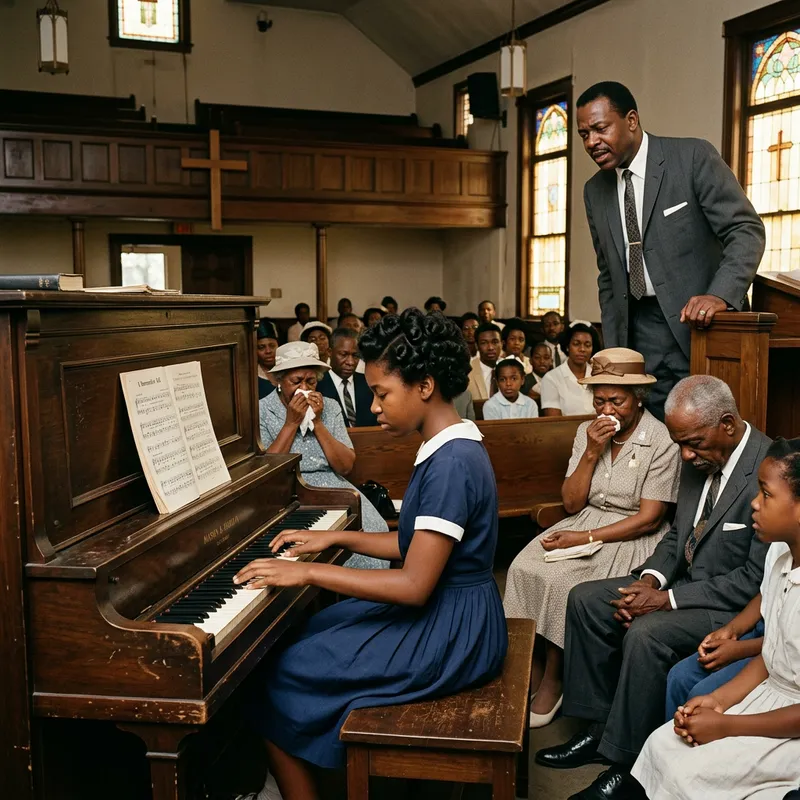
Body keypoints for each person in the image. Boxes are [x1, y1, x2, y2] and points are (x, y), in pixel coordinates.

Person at [238, 309, 508, 800]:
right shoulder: (449, 445)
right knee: (314, 632)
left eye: (383, 394)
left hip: (452, 631)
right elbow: (410, 544)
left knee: (277, 676)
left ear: (424, 386)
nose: (375, 406)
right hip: (458, 611)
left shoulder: (452, 464)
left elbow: (412, 583)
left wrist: (308, 575)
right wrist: (335, 540)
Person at [535, 375, 772, 800]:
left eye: (693, 442)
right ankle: (597, 727)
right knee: (587, 599)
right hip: (676, 583)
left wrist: (666, 600)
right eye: (680, 442)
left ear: (728, 425)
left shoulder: (768, 471)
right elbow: (675, 535)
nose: (684, 453)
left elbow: (752, 580)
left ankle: (625, 764)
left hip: (728, 606)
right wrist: (648, 581)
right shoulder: (698, 454)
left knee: (647, 634)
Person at [504, 348, 679, 729]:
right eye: (599, 400)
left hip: (629, 535)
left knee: (564, 581)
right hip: (584, 520)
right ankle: (527, 666)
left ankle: (556, 678)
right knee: (522, 566)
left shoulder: (661, 440)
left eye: (616, 401)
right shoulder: (588, 433)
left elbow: (650, 520)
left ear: (637, 398)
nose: (607, 410)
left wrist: (581, 537)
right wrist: (590, 452)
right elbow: (570, 502)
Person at [578, 81, 765, 420]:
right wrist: (612, 351)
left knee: (708, 436)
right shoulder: (594, 191)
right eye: (584, 135)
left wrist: (719, 295)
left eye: (599, 129)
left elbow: (745, 230)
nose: (592, 142)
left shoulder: (691, 157)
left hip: (701, 329)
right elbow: (608, 274)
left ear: (631, 120)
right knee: (652, 446)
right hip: (637, 339)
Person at [632, 437, 800, 800]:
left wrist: (727, 724)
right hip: (769, 697)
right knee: (661, 744)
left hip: (789, 726)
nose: (754, 504)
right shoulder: (782, 562)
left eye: (766, 495)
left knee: (689, 773)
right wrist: (719, 700)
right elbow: (771, 658)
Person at [258, 342, 388, 570]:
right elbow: (270, 472)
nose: (304, 388)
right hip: (289, 494)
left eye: (311, 381)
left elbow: (345, 466)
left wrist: (317, 422)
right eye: (296, 381)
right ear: (279, 380)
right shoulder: (262, 410)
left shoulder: (330, 406)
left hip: (333, 488)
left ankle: (365, 599)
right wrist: (291, 423)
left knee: (376, 531)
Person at [663, 537, 789, 719]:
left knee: (700, 693)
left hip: (776, 651)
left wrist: (740, 650)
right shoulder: (780, 545)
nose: (753, 506)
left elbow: (787, 643)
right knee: (679, 677)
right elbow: (766, 593)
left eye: (765, 505)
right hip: (761, 630)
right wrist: (731, 630)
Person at [317, 328, 378, 428]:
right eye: (343, 355)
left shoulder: (369, 383)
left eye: (355, 356)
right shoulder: (318, 385)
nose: (350, 362)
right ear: (329, 352)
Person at [539, 321, 600, 416]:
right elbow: (554, 422)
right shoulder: (551, 378)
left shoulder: (599, 375)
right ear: (567, 346)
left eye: (587, 345)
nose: (582, 349)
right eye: (576, 344)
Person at [467, 322, 502, 401]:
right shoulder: (467, 372)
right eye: (484, 343)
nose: (490, 348)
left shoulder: (510, 368)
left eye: (495, 342)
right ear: (477, 346)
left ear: (502, 344)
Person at [256, 319, 279, 400]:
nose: (268, 351)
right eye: (261, 347)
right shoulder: (252, 377)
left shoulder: (288, 370)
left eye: (272, 346)